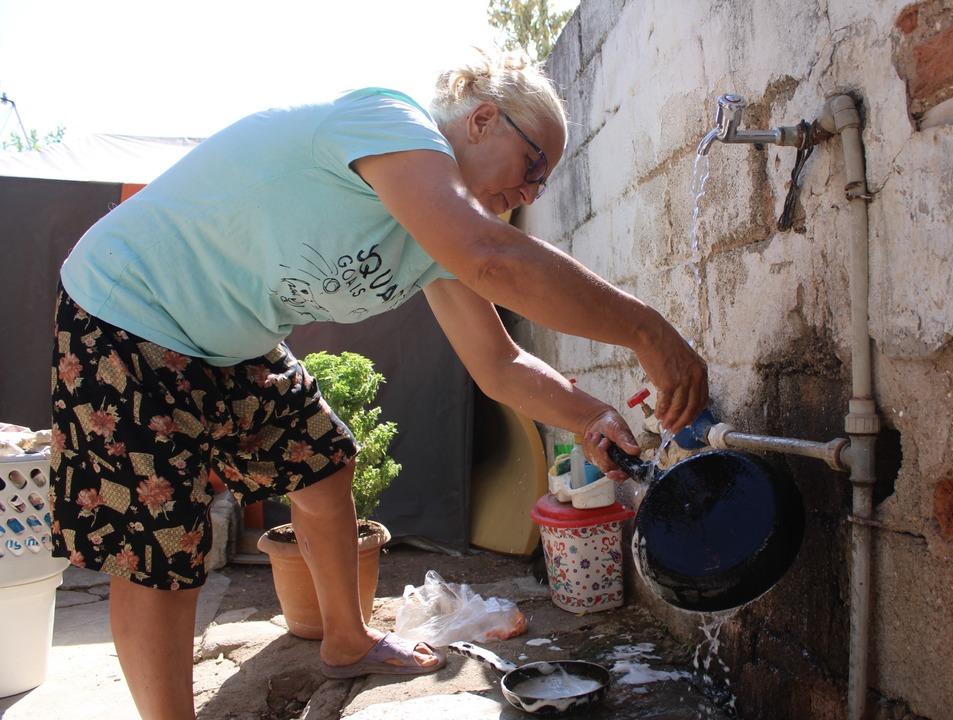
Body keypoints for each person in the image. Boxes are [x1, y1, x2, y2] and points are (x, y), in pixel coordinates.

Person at [49, 47, 708, 718]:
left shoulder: (437, 237)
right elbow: (491, 260)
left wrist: (589, 416)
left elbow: (499, 364)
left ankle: (347, 639)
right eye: (533, 164)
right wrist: (650, 332)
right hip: (128, 310)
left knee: (323, 465)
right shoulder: (390, 122)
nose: (534, 192)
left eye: (544, 181)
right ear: (482, 119)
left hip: (230, 345)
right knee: (161, 550)